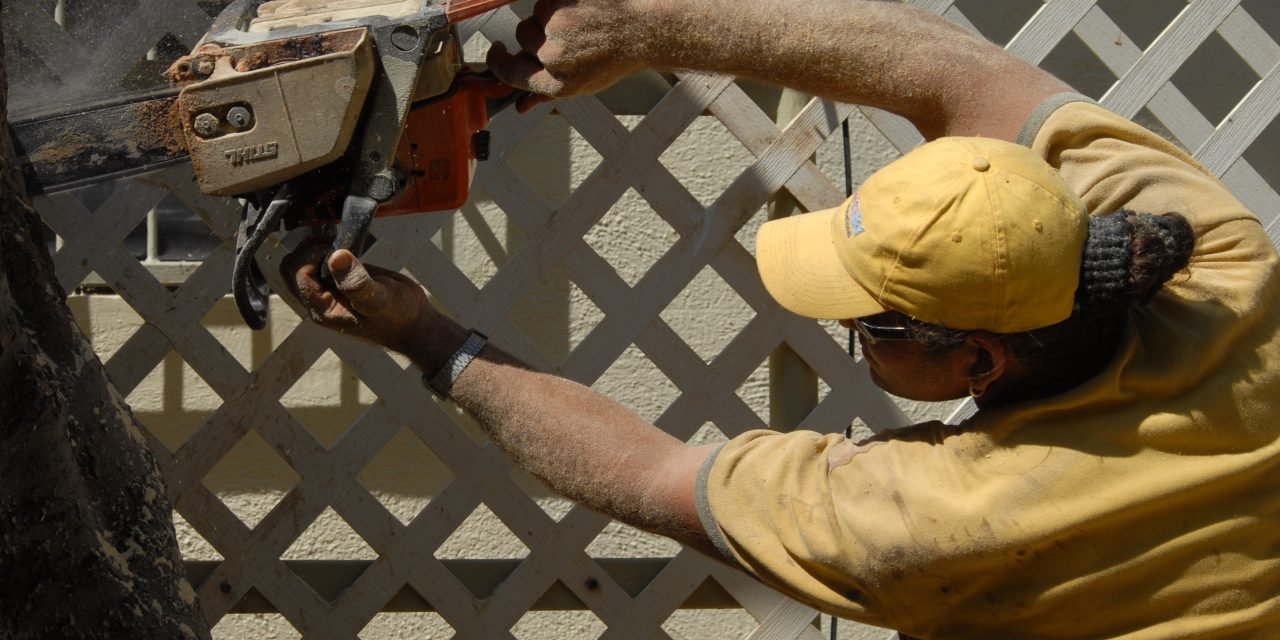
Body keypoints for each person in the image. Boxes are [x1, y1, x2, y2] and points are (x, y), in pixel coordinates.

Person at [282, 0, 1280, 637]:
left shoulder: (939, 521)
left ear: (977, 358)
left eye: (868, 324)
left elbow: (644, 474)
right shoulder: (1224, 273)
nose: (849, 332)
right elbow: (949, 70)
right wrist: (647, 28)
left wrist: (419, 335)